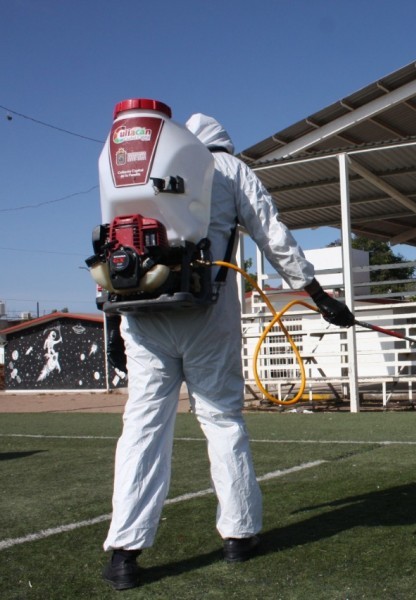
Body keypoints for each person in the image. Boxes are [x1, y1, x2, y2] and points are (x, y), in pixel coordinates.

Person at [101, 112, 354, 591]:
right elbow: (272, 234)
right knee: (220, 420)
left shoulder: (138, 171)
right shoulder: (231, 170)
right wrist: (319, 297)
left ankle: (124, 554)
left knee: (142, 428)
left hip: (143, 315)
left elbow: (118, 246)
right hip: (204, 312)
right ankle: (238, 535)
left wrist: (115, 326)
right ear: (223, 144)